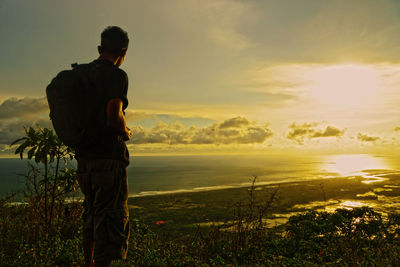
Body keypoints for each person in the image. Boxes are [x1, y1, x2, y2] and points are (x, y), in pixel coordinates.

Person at [75, 26, 131, 267]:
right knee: (108, 220)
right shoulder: (117, 75)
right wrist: (125, 130)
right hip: (108, 160)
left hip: (84, 160)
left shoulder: (81, 75)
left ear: (99, 48)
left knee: (91, 214)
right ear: (123, 51)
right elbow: (113, 114)